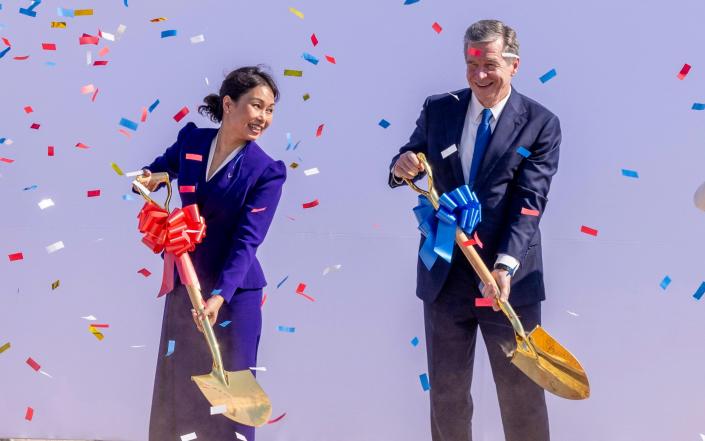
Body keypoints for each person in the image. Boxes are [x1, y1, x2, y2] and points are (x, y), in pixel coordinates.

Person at [388, 20, 561, 441]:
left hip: (507, 280)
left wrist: (503, 267)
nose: (479, 75)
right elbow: (409, 158)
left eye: (489, 64)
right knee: (447, 397)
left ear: (514, 64)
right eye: (471, 64)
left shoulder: (541, 123)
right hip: (446, 274)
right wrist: (403, 164)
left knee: (520, 395)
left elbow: (529, 202)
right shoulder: (439, 108)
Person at [134, 65, 286, 441]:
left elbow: (248, 242)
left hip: (232, 296)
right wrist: (146, 180)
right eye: (256, 106)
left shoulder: (266, 172)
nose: (263, 118)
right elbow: (156, 172)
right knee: (179, 391)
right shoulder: (192, 143)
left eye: (269, 110)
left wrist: (220, 296)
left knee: (232, 402)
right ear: (229, 104)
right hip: (185, 286)